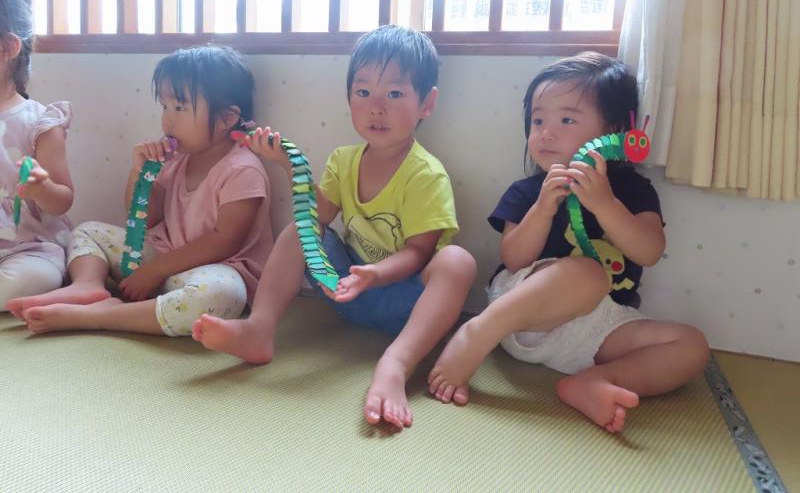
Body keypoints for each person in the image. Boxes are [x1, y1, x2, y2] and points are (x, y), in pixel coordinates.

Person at [193, 25, 476, 430]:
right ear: (348, 99)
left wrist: (374, 274)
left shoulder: (425, 174)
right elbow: (315, 221)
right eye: (363, 92)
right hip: (345, 290)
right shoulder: (343, 161)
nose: (376, 107)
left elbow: (419, 253)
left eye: (394, 94)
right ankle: (259, 329)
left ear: (426, 103)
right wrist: (289, 165)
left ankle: (395, 364)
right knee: (301, 229)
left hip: (407, 304)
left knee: (457, 261)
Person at [428, 52, 709, 433]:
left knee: (691, 346)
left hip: (595, 329)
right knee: (589, 274)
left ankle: (595, 382)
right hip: (520, 315)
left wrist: (605, 204)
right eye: (538, 120)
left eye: (567, 120)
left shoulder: (633, 190)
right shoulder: (528, 191)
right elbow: (513, 259)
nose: (546, 132)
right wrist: (542, 210)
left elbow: (649, 251)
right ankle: (477, 333)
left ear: (614, 130)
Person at [14, 46, 274, 338]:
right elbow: (143, 219)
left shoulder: (242, 170)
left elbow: (224, 241)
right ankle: (87, 285)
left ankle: (101, 316)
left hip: (215, 270)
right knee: (87, 231)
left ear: (227, 118)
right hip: (164, 259)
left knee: (223, 296)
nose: (167, 120)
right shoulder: (176, 158)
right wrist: (140, 172)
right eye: (164, 106)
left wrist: (156, 270)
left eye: (180, 108)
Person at [0, 0, 74, 311]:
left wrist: (42, 188)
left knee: (31, 278)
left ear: (8, 49)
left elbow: (63, 200)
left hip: (30, 249)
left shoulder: (39, 122)